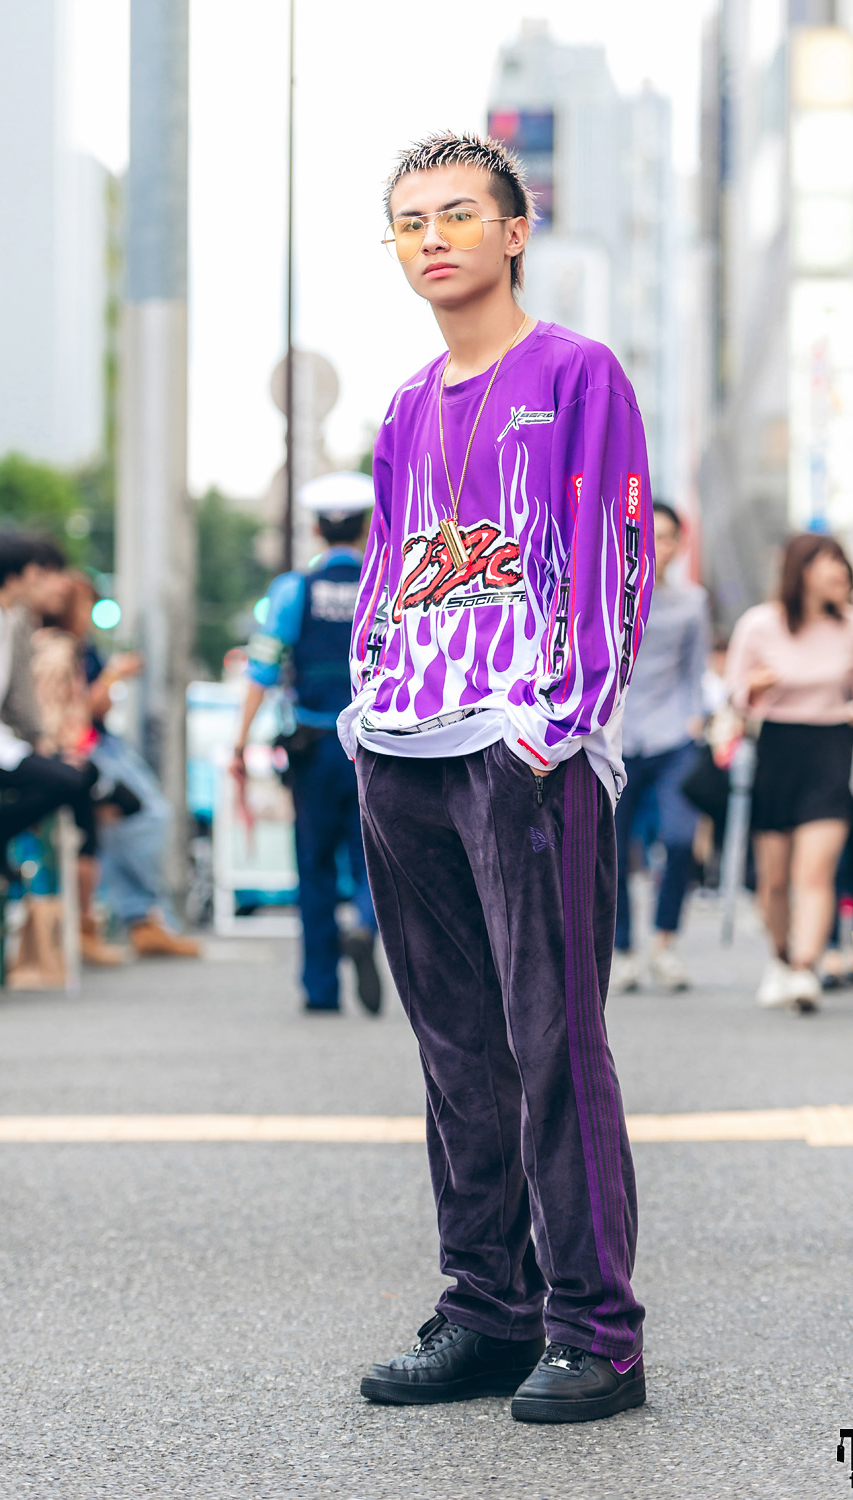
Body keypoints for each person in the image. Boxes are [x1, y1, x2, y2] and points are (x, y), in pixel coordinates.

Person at [340, 131, 653, 1424]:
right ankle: (485, 1309)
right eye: (411, 221)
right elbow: (386, 565)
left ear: (514, 231)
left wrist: (555, 725)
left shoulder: (576, 375)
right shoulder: (408, 409)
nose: (434, 239)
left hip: (526, 758)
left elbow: (616, 551)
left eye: (460, 214)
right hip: (404, 753)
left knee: (552, 1042)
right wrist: (365, 708)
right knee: (455, 1052)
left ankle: (598, 1331)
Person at [726, 533, 853, 1012]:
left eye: (843, 563)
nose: (841, 572)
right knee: (774, 879)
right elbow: (734, 695)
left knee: (814, 873)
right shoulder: (759, 625)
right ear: (801, 570)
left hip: (832, 748)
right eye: (829, 563)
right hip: (778, 749)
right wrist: (753, 688)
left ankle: (804, 968)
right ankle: (780, 958)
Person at [231, 474, 381, 1015]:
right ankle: (366, 924)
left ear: (316, 529)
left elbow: (263, 668)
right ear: (367, 525)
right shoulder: (387, 583)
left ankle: (321, 989)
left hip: (314, 748)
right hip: (378, 750)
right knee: (378, 860)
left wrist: (238, 744)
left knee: (314, 866)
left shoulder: (293, 590)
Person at [36, 572, 201, 959]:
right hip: (82, 750)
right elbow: (74, 711)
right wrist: (113, 676)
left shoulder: (76, 645)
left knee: (105, 827)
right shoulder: (60, 648)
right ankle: (121, 919)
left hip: (91, 749)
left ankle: (129, 918)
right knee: (139, 816)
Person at [610, 501, 709, 993]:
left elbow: (696, 670)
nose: (658, 545)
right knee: (612, 846)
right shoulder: (606, 594)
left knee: (679, 838)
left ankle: (665, 943)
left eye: (668, 536)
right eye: (650, 534)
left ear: (679, 544)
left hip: (674, 735)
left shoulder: (692, 602)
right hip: (616, 737)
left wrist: (698, 720)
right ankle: (622, 949)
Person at [0, 532, 119, 897]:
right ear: (15, 575)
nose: (41, 580)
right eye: (36, 572)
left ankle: (76, 909)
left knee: (78, 778)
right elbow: (19, 699)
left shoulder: (5, 618)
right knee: (69, 780)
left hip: (2, 741)